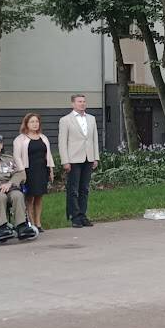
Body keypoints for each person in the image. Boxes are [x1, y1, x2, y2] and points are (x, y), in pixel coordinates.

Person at [58, 93, 100, 228]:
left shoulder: (91, 119)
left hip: (88, 157)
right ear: (73, 104)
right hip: (74, 158)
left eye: (83, 101)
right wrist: (65, 160)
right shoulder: (66, 120)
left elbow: (94, 139)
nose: (82, 104)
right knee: (73, 189)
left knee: (85, 188)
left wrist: (95, 157)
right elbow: (62, 142)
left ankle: (83, 215)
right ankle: (74, 216)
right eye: (79, 101)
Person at [14, 114, 55, 231]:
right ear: (26, 123)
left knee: (39, 197)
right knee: (30, 197)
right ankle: (31, 223)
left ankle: (38, 222)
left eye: (36, 121)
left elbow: (48, 154)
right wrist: (22, 172)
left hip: (42, 170)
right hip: (28, 171)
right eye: (32, 122)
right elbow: (17, 157)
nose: (35, 124)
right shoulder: (20, 139)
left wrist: (51, 169)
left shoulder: (43, 137)